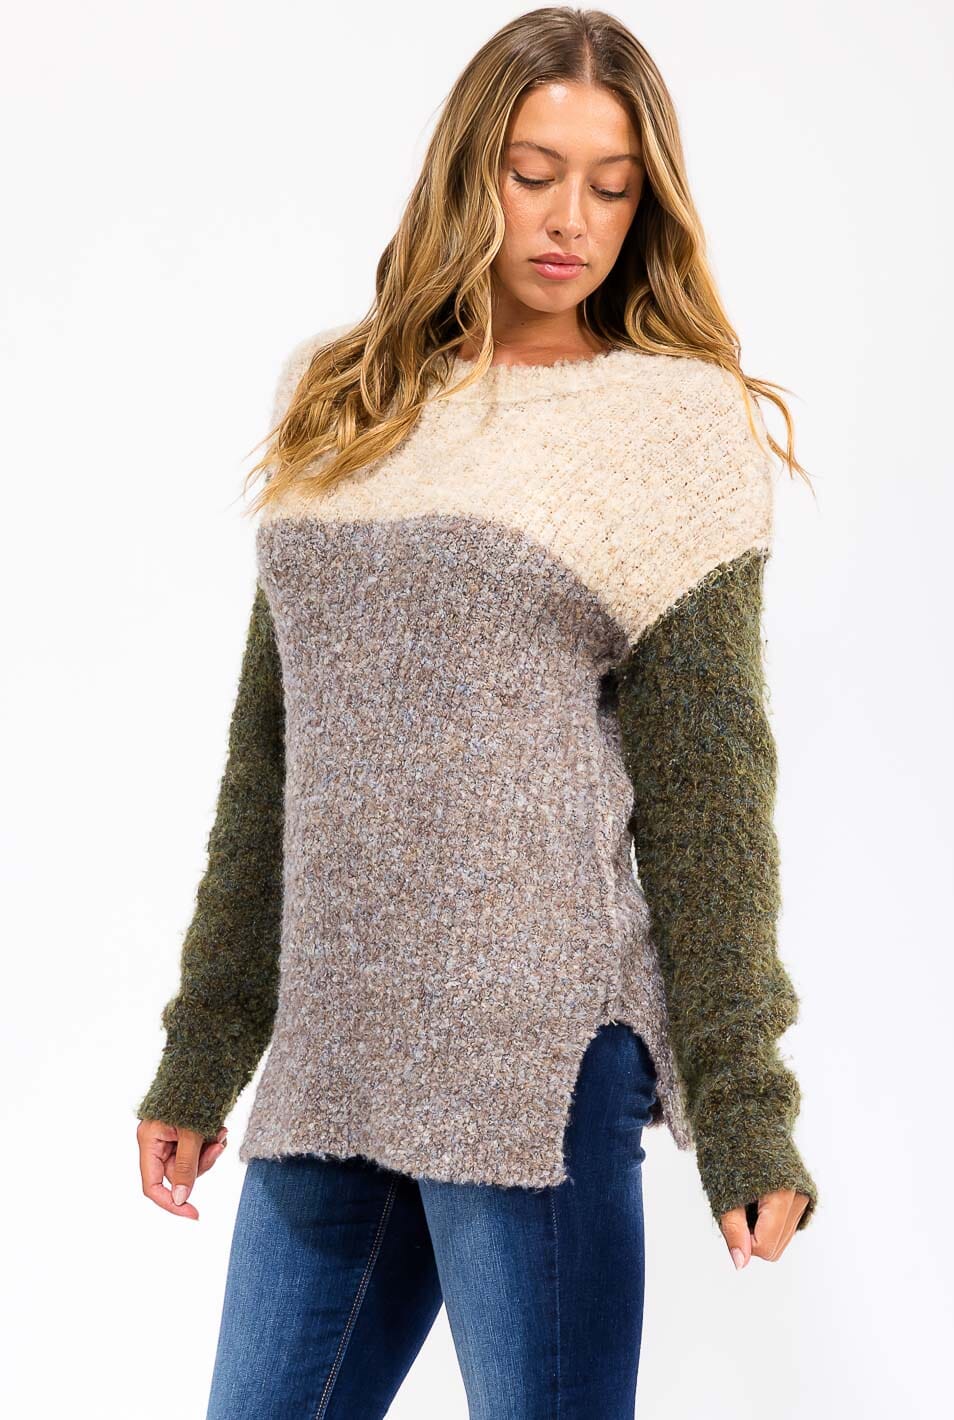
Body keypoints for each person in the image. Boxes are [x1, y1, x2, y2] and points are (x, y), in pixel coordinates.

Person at [133, 8, 818, 1416]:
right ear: (466, 172)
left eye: (611, 186)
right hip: (336, 1048)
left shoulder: (671, 428)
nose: (571, 220)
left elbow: (707, 800)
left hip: (533, 1056)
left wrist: (744, 1103)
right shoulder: (346, 400)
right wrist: (204, 1052)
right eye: (533, 173)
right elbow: (271, 763)